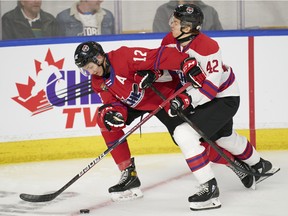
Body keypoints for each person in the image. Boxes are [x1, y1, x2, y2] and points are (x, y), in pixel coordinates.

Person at [73, 41, 260, 205]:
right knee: (105, 121)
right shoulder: (97, 81)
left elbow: (159, 56)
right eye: (86, 69)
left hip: (164, 98)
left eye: (90, 66)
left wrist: (184, 63)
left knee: (189, 140)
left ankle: (235, 164)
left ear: (99, 57)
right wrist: (115, 114)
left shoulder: (123, 56)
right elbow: (112, 102)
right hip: (136, 104)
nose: (90, 72)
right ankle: (128, 174)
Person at [160, 3, 279, 210]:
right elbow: (164, 67)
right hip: (203, 95)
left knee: (184, 134)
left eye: (176, 23)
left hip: (224, 97)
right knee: (223, 137)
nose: (172, 25)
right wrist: (152, 74)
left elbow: (210, 90)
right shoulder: (170, 41)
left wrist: (186, 100)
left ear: (188, 28)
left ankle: (210, 190)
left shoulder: (208, 47)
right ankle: (259, 164)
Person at [152, 0, 223, 33]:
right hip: (174, 54)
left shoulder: (210, 11)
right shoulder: (163, 11)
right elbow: (160, 38)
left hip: (204, 53)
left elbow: (221, 37)